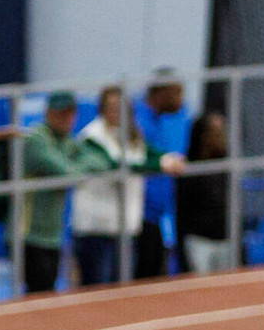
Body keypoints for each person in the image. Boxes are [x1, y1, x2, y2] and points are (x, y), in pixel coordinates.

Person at [70, 85, 184, 286]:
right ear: (102, 109)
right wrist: (160, 165)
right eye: (112, 107)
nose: (117, 112)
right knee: (96, 290)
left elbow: (151, 153)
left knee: (122, 292)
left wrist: (170, 158)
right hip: (96, 230)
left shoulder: (132, 136)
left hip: (125, 228)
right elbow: (116, 166)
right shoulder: (91, 137)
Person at [17, 92, 108, 294]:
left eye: (69, 114)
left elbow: (100, 161)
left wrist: (77, 168)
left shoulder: (67, 142)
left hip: (52, 235)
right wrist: (78, 169)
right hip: (28, 233)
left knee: (47, 293)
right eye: (60, 114)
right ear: (48, 113)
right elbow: (65, 172)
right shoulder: (37, 138)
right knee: (36, 296)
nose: (66, 119)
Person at [132, 72, 190, 278]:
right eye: (177, 92)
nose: (181, 100)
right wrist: (163, 163)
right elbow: (137, 160)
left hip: (156, 216)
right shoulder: (137, 121)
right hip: (138, 217)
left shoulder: (159, 122)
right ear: (160, 93)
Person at [176, 111, 235, 272]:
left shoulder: (228, 166)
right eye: (215, 132)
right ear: (202, 135)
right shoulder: (190, 168)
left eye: (222, 131)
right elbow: (181, 212)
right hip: (199, 241)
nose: (220, 136)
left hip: (225, 239)